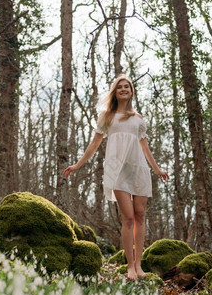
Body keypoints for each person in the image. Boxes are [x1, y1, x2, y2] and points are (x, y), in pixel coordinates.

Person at [63, 75, 168, 280]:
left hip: (138, 169)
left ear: (131, 91)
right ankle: (129, 266)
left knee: (140, 216)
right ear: (115, 91)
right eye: (119, 86)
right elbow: (94, 144)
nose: (123, 89)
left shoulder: (138, 119)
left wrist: (156, 169)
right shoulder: (107, 116)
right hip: (117, 170)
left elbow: (144, 147)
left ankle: (139, 265)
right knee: (128, 218)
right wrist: (77, 165)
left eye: (126, 86)